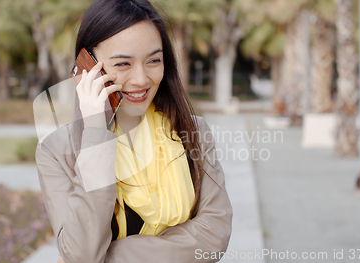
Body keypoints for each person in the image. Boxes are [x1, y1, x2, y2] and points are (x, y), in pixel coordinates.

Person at [35, 0, 233, 262]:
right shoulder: (57, 152)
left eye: (153, 60)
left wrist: (108, 257)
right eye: (123, 64)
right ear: (87, 67)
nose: (141, 79)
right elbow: (82, 254)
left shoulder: (193, 131)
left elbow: (213, 236)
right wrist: (96, 133)